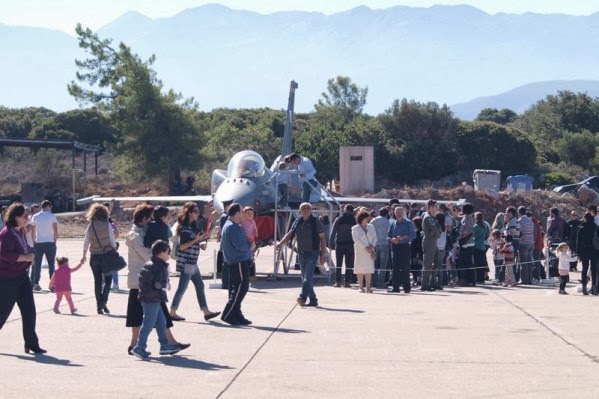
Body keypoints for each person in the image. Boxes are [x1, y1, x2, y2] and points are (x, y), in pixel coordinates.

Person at [125, 204, 189, 356]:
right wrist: (162, 251)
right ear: (145, 218)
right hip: (140, 281)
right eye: (151, 218)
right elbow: (148, 255)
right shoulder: (135, 235)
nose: (153, 221)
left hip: (151, 280)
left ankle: (168, 343)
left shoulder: (145, 231)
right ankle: (135, 345)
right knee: (140, 316)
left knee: (160, 314)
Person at [0, 203, 46, 354]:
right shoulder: (7, 233)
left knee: (29, 311)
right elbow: (4, 254)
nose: (27, 218)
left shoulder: (20, 232)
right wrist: (24, 257)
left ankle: (31, 344)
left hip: (22, 278)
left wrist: (29, 257)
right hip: (8, 279)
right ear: (15, 217)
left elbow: (24, 249)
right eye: (24, 216)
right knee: (3, 312)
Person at [131, 240, 182, 360]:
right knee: (148, 323)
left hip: (152, 297)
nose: (169, 254)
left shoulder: (150, 263)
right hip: (152, 298)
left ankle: (164, 345)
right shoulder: (158, 266)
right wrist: (164, 285)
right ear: (161, 253)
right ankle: (140, 347)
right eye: (168, 252)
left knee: (161, 322)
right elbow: (156, 283)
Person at [170, 202, 220, 322]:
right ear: (190, 213)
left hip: (192, 262)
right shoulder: (185, 228)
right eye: (196, 212)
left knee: (199, 285)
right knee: (182, 288)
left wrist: (199, 242)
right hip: (187, 262)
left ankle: (206, 311)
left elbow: (194, 240)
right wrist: (196, 240)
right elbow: (182, 246)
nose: (198, 214)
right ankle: (172, 312)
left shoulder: (193, 226)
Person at [277, 202, 327, 307]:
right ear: (300, 211)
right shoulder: (298, 221)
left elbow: (322, 238)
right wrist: (281, 243)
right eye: (303, 208)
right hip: (301, 252)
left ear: (311, 210)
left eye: (308, 208)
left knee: (307, 277)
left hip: (313, 252)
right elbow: (290, 233)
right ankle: (313, 299)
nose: (305, 210)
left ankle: (302, 297)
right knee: (305, 277)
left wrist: (323, 254)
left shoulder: (315, 221)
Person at [221, 203, 255, 324]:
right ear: (236, 214)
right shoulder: (232, 227)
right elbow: (240, 245)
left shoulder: (233, 225)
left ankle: (236, 313)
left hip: (236, 261)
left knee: (237, 288)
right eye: (241, 212)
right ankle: (228, 313)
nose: (244, 215)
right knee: (241, 287)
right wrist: (250, 246)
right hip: (238, 261)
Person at [80, 203, 117, 315]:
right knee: (108, 280)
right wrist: (114, 250)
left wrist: (84, 255)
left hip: (94, 255)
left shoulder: (90, 226)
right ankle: (103, 301)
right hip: (106, 255)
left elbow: (86, 241)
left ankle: (98, 305)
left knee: (97, 281)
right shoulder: (107, 225)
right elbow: (112, 240)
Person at [30, 200, 58, 291]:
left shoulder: (35, 216)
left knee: (37, 264)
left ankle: (36, 283)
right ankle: (53, 285)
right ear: (49, 206)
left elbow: (33, 230)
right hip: (49, 242)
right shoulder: (52, 216)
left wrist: (34, 240)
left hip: (39, 242)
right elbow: (55, 230)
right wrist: (54, 241)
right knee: (51, 264)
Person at [387, 206, 416, 293]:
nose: (398, 214)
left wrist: (403, 237)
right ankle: (395, 287)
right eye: (397, 212)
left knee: (405, 267)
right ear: (394, 213)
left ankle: (406, 288)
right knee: (395, 267)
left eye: (400, 212)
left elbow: (413, 235)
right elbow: (388, 236)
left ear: (403, 213)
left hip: (405, 247)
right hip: (395, 247)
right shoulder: (392, 224)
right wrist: (392, 239)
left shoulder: (408, 223)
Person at [329, 204, 356, 287]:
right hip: (350, 244)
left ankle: (338, 282)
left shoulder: (339, 219)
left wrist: (331, 243)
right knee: (349, 264)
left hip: (340, 244)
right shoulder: (354, 220)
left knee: (339, 263)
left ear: (345, 209)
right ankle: (347, 282)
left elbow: (333, 232)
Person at [351, 210, 376, 293]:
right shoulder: (355, 228)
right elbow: (356, 240)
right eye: (366, 218)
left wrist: (372, 246)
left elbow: (375, 238)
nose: (368, 219)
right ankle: (361, 287)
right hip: (360, 250)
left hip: (370, 250)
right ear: (361, 218)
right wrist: (365, 248)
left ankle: (368, 287)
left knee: (369, 268)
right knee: (360, 268)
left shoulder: (371, 227)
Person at [421, 200, 442, 291]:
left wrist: (437, 233)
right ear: (429, 207)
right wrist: (437, 233)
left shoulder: (433, 218)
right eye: (434, 206)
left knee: (437, 262)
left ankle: (432, 282)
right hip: (429, 241)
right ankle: (425, 284)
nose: (436, 208)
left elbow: (440, 229)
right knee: (428, 264)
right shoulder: (428, 218)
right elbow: (435, 230)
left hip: (433, 241)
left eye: (436, 206)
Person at [576, 212, 598, 295]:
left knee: (584, 269)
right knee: (594, 270)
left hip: (584, 251)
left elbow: (578, 241)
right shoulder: (596, 227)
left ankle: (584, 288)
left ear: (586, 218)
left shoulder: (582, 227)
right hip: (595, 251)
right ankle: (594, 288)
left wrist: (578, 254)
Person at [370, 207, 391, 288]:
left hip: (375, 244)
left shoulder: (373, 221)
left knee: (374, 264)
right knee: (383, 265)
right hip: (385, 244)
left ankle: (374, 281)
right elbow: (389, 233)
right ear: (386, 214)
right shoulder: (387, 222)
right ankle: (381, 282)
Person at [102, 202, 121, 291]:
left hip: (106, 246)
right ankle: (113, 284)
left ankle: (110, 283)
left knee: (107, 266)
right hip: (109, 246)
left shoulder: (106, 222)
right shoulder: (109, 222)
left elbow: (116, 234)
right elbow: (116, 234)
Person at [217, 200, 233, 289]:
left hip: (225, 243)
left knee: (227, 263)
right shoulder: (225, 216)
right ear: (227, 206)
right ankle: (225, 283)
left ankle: (227, 282)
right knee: (226, 264)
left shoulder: (225, 216)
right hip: (226, 243)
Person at [517, 206, 535, 285]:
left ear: (519, 212)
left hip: (523, 243)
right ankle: (530, 279)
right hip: (531, 243)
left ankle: (524, 280)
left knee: (523, 263)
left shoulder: (520, 221)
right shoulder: (530, 221)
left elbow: (519, 233)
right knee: (529, 262)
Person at [240, 206, 259, 277]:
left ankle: (251, 259)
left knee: (252, 247)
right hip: (244, 239)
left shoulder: (253, 221)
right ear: (244, 214)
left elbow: (255, 228)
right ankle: (248, 259)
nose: (250, 215)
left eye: (252, 214)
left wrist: (256, 232)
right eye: (248, 214)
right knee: (247, 250)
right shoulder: (242, 221)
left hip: (251, 239)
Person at [472, 211, 489, 284]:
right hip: (483, 246)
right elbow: (486, 236)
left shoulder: (476, 226)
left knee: (476, 263)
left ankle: (478, 278)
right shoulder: (485, 226)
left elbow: (473, 236)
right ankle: (482, 278)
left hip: (476, 246)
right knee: (482, 263)